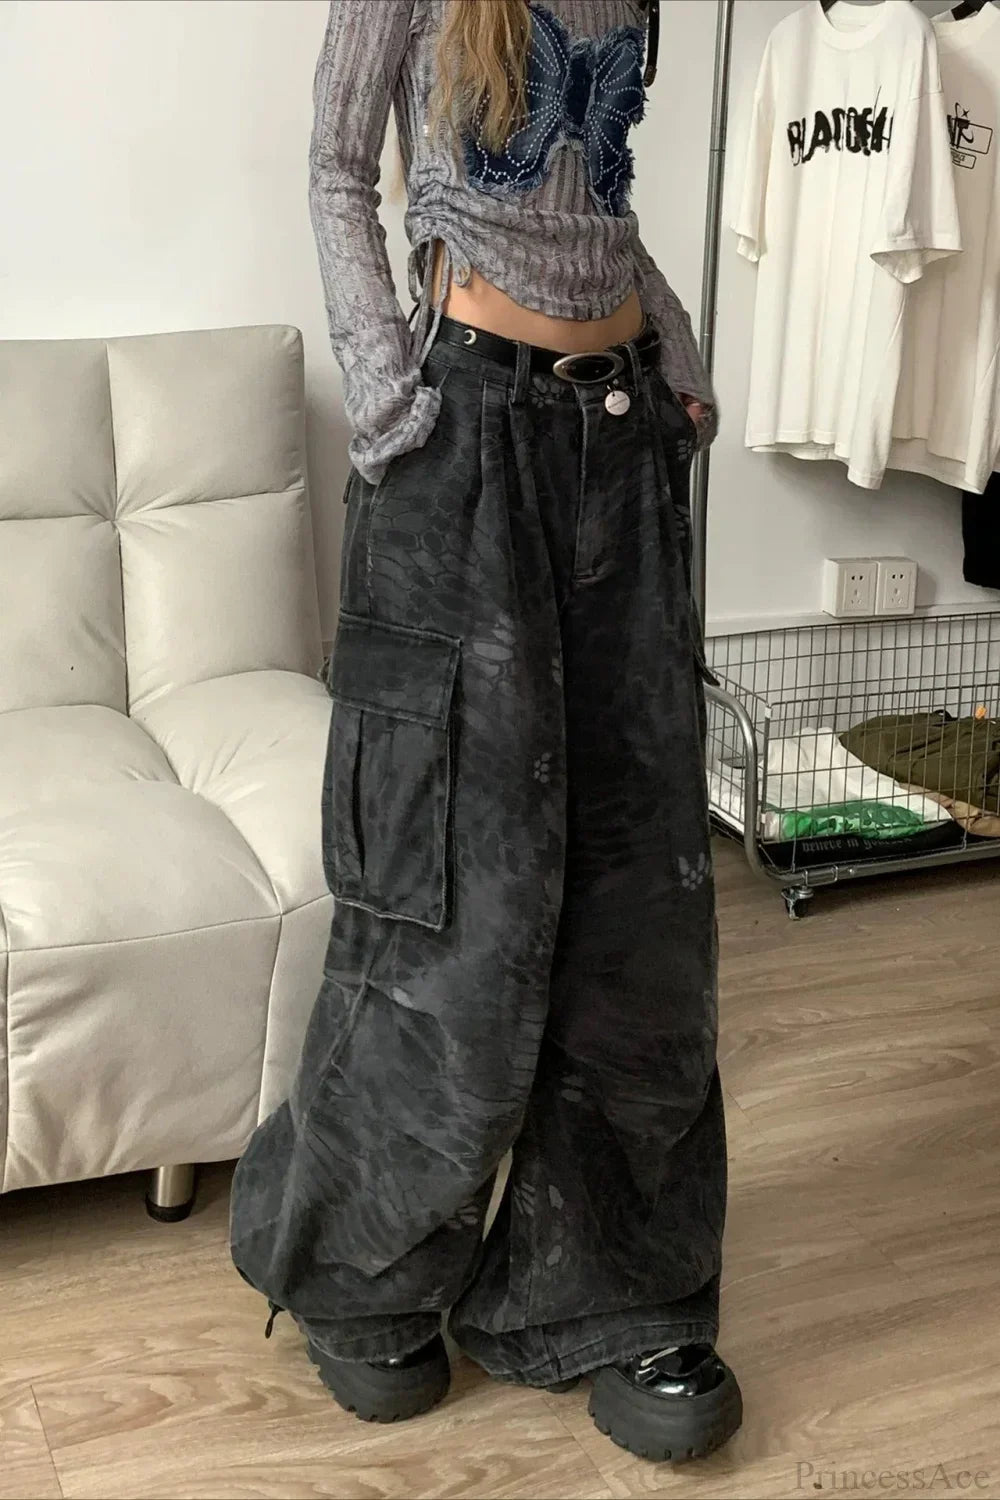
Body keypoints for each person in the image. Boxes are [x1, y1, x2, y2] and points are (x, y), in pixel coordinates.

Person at [230, 0, 742, 1465]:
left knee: (642, 896)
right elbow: (338, 163)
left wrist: (679, 348)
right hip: (460, 441)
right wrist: (384, 386)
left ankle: (617, 1286)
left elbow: (596, 207)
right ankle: (366, 1269)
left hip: (622, 443)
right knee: (447, 889)